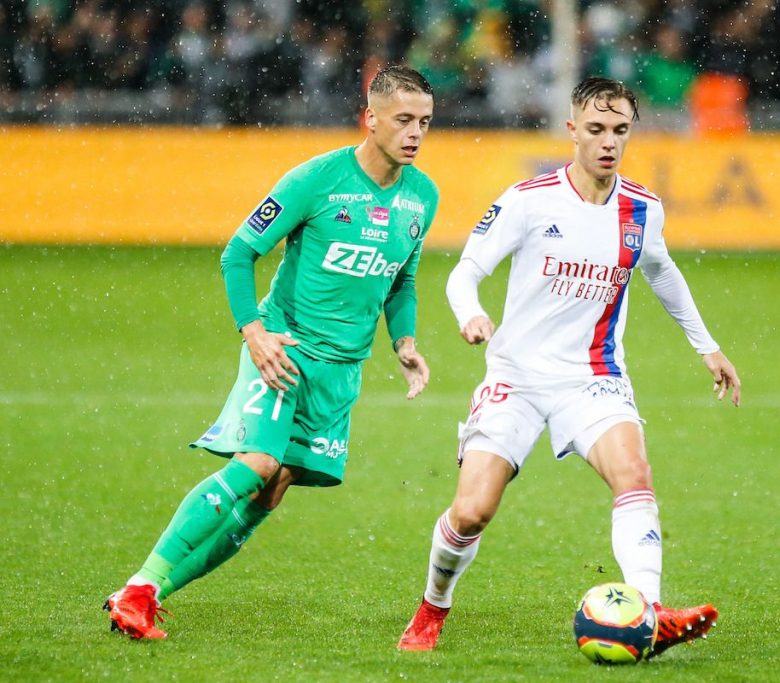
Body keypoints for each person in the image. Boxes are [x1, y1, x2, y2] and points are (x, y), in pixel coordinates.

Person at [397, 77, 741, 658]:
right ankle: (433, 607)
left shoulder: (642, 209)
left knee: (633, 474)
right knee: (472, 510)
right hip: (517, 378)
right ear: (573, 131)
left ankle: (650, 613)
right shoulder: (528, 200)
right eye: (598, 130)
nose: (609, 143)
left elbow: (662, 272)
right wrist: (471, 313)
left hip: (595, 377)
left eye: (621, 131)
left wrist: (705, 345)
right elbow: (466, 271)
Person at [105, 65, 438, 640]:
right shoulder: (317, 180)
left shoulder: (422, 197)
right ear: (371, 118)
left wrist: (403, 342)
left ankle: (146, 594)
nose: (415, 133)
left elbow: (401, 280)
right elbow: (238, 253)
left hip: (342, 368)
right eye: (404, 120)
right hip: (283, 348)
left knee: (273, 487)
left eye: (425, 122)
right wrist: (253, 332)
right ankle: (140, 587)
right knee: (255, 465)